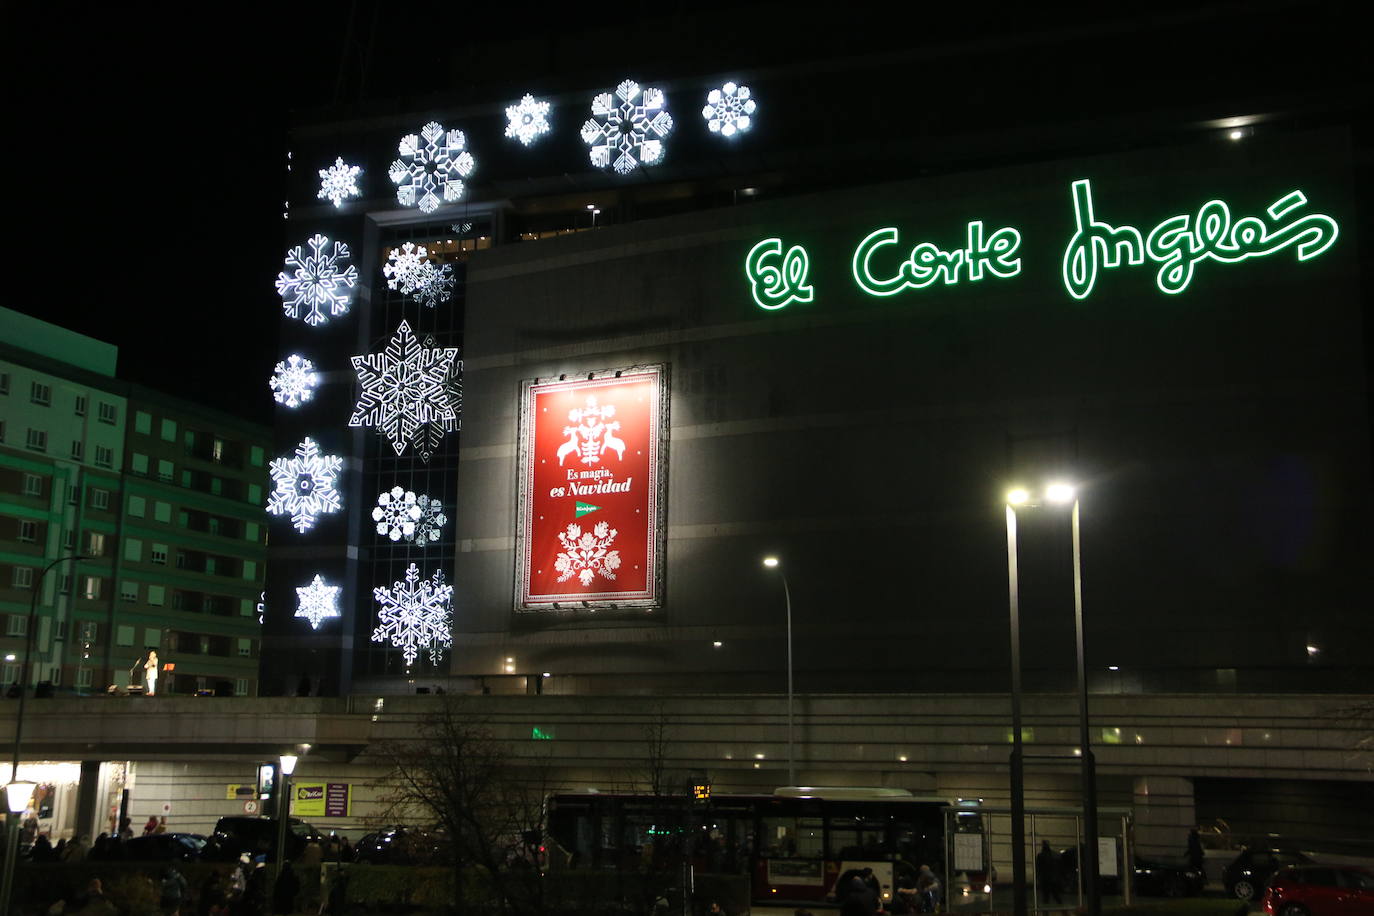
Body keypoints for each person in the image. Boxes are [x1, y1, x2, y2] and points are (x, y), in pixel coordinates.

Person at [1036, 842, 1063, 906]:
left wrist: (1038, 877)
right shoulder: (1053, 856)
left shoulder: (1040, 856)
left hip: (1045, 879)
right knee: (1056, 896)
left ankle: (1046, 913)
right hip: (1052, 879)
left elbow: (1038, 868)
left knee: (1046, 897)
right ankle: (1064, 912)